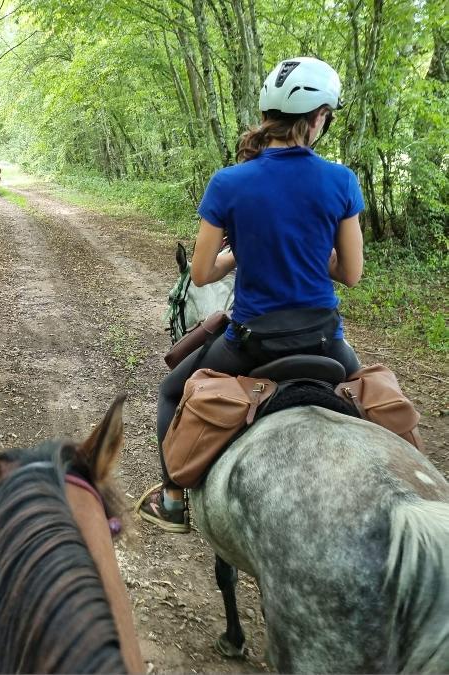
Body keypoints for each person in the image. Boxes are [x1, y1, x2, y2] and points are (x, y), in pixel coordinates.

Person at [139, 57, 365, 533]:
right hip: (325, 342)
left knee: (170, 390)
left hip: (251, 343)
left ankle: (175, 501)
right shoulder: (341, 180)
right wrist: (297, 249)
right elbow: (351, 272)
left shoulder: (228, 182)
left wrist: (245, 251)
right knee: (376, 400)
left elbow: (201, 273)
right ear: (318, 116)